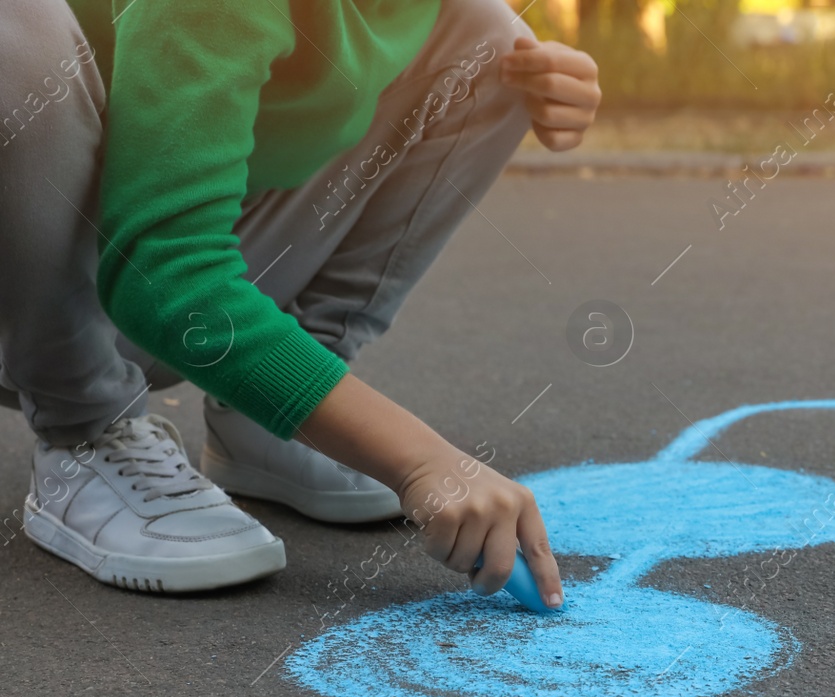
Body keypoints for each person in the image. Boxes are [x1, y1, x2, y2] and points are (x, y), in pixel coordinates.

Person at [0, 0, 599, 604]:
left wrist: (547, 84)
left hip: (126, 269)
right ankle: (84, 425)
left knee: (491, 42)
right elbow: (161, 277)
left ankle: (272, 415)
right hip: (27, 300)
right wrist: (417, 459)